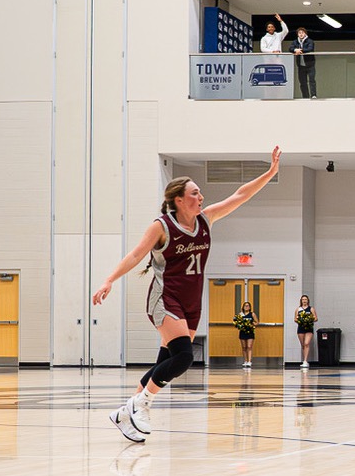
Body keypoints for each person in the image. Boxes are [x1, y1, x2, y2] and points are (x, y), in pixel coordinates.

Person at [92, 146, 281, 443]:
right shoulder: (162, 226)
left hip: (193, 302)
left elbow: (240, 196)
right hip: (166, 298)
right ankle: (141, 404)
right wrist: (109, 280)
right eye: (194, 193)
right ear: (178, 199)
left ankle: (123, 413)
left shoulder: (206, 220)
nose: (201, 197)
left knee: (164, 361)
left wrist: (269, 174)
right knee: (183, 358)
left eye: (200, 192)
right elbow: (135, 254)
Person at [288, 27, 317, 99]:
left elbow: (310, 49)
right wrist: (295, 50)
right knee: (302, 82)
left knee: (311, 80)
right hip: (301, 66)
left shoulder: (310, 41)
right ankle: (305, 97)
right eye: (299, 33)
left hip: (310, 64)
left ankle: (313, 95)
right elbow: (290, 49)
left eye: (302, 33)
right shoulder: (295, 42)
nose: (301, 34)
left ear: (305, 34)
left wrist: (300, 51)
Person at [294, 294, 318, 368]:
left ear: (308, 301)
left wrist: (309, 320)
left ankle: (305, 361)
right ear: (301, 301)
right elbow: (295, 319)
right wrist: (301, 320)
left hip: (309, 328)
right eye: (303, 299)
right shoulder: (298, 309)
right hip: (301, 328)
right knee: (303, 345)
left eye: (305, 299)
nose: (304, 301)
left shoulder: (311, 309)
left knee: (307, 343)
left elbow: (316, 318)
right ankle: (304, 359)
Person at [236, 301, 258, 367]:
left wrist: (252, 324)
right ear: (243, 307)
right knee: (244, 347)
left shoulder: (252, 314)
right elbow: (237, 322)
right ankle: (245, 360)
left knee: (249, 346)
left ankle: (249, 361)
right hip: (242, 332)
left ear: (250, 307)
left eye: (248, 306)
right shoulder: (240, 314)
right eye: (245, 305)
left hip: (250, 332)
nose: (246, 307)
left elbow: (257, 322)